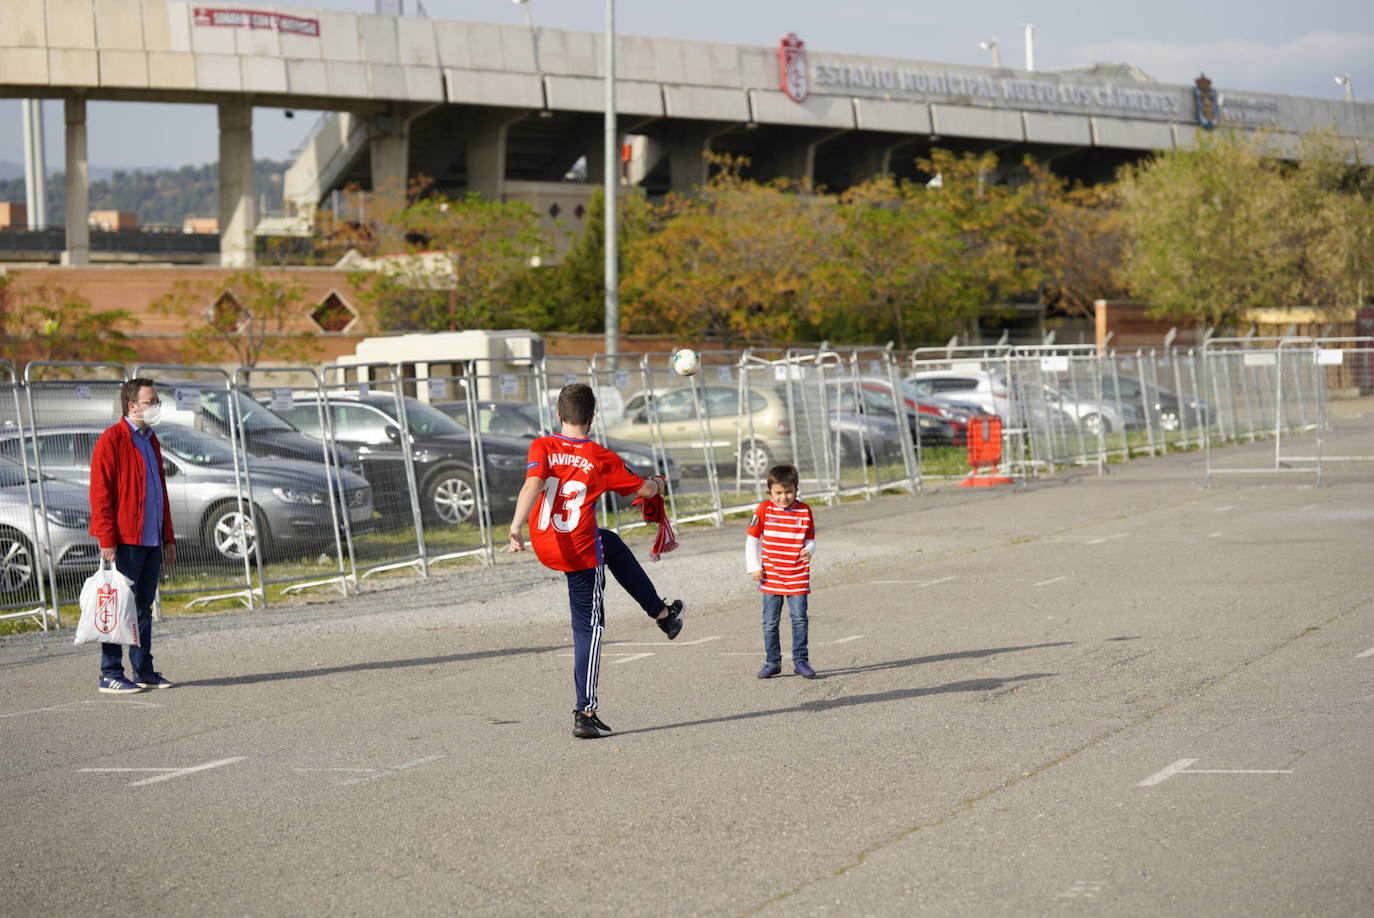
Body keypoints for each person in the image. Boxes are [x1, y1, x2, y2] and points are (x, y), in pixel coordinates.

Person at [507, 383, 685, 739]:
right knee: (589, 628)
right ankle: (585, 712)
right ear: (592, 418)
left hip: (546, 541)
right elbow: (645, 490)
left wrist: (515, 528)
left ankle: (663, 615)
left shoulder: (542, 445)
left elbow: (531, 486)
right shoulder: (600, 457)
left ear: (558, 415)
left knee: (613, 544)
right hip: (578, 551)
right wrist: (655, 483)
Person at [88, 378, 176, 694]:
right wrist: (106, 537)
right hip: (125, 540)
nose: (157, 407)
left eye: (157, 401)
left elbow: (159, 492)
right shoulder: (112, 440)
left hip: (151, 539)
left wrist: (168, 537)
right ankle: (110, 672)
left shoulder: (151, 440)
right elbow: (100, 493)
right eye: (151, 401)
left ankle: (143, 669)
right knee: (117, 607)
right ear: (132, 406)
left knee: (142, 608)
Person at [745, 463, 817, 679]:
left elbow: (811, 539)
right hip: (771, 576)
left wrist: (809, 550)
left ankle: (801, 661)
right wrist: (754, 567)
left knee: (799, 619)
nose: (784, 497)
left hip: (797, 575)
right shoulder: (763, 510)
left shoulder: (804, 511)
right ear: (770, 492)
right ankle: (772, 662)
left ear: (796, 489)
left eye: (788, 491)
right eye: (778, 492)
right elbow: (752, 541)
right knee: (770, 622)